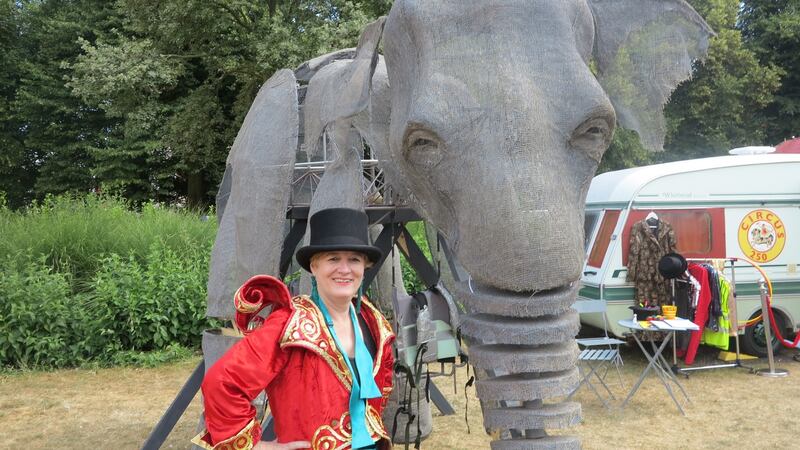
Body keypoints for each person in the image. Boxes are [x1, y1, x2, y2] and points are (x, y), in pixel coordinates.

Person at [193, 208, 395, 450]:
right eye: (333, 258)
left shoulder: (374, 323)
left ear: (365, 267)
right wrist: (256, 447)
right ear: (314, 266)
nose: (344, 269)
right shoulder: (289, 323)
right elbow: (222, 383)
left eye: (354, 259)